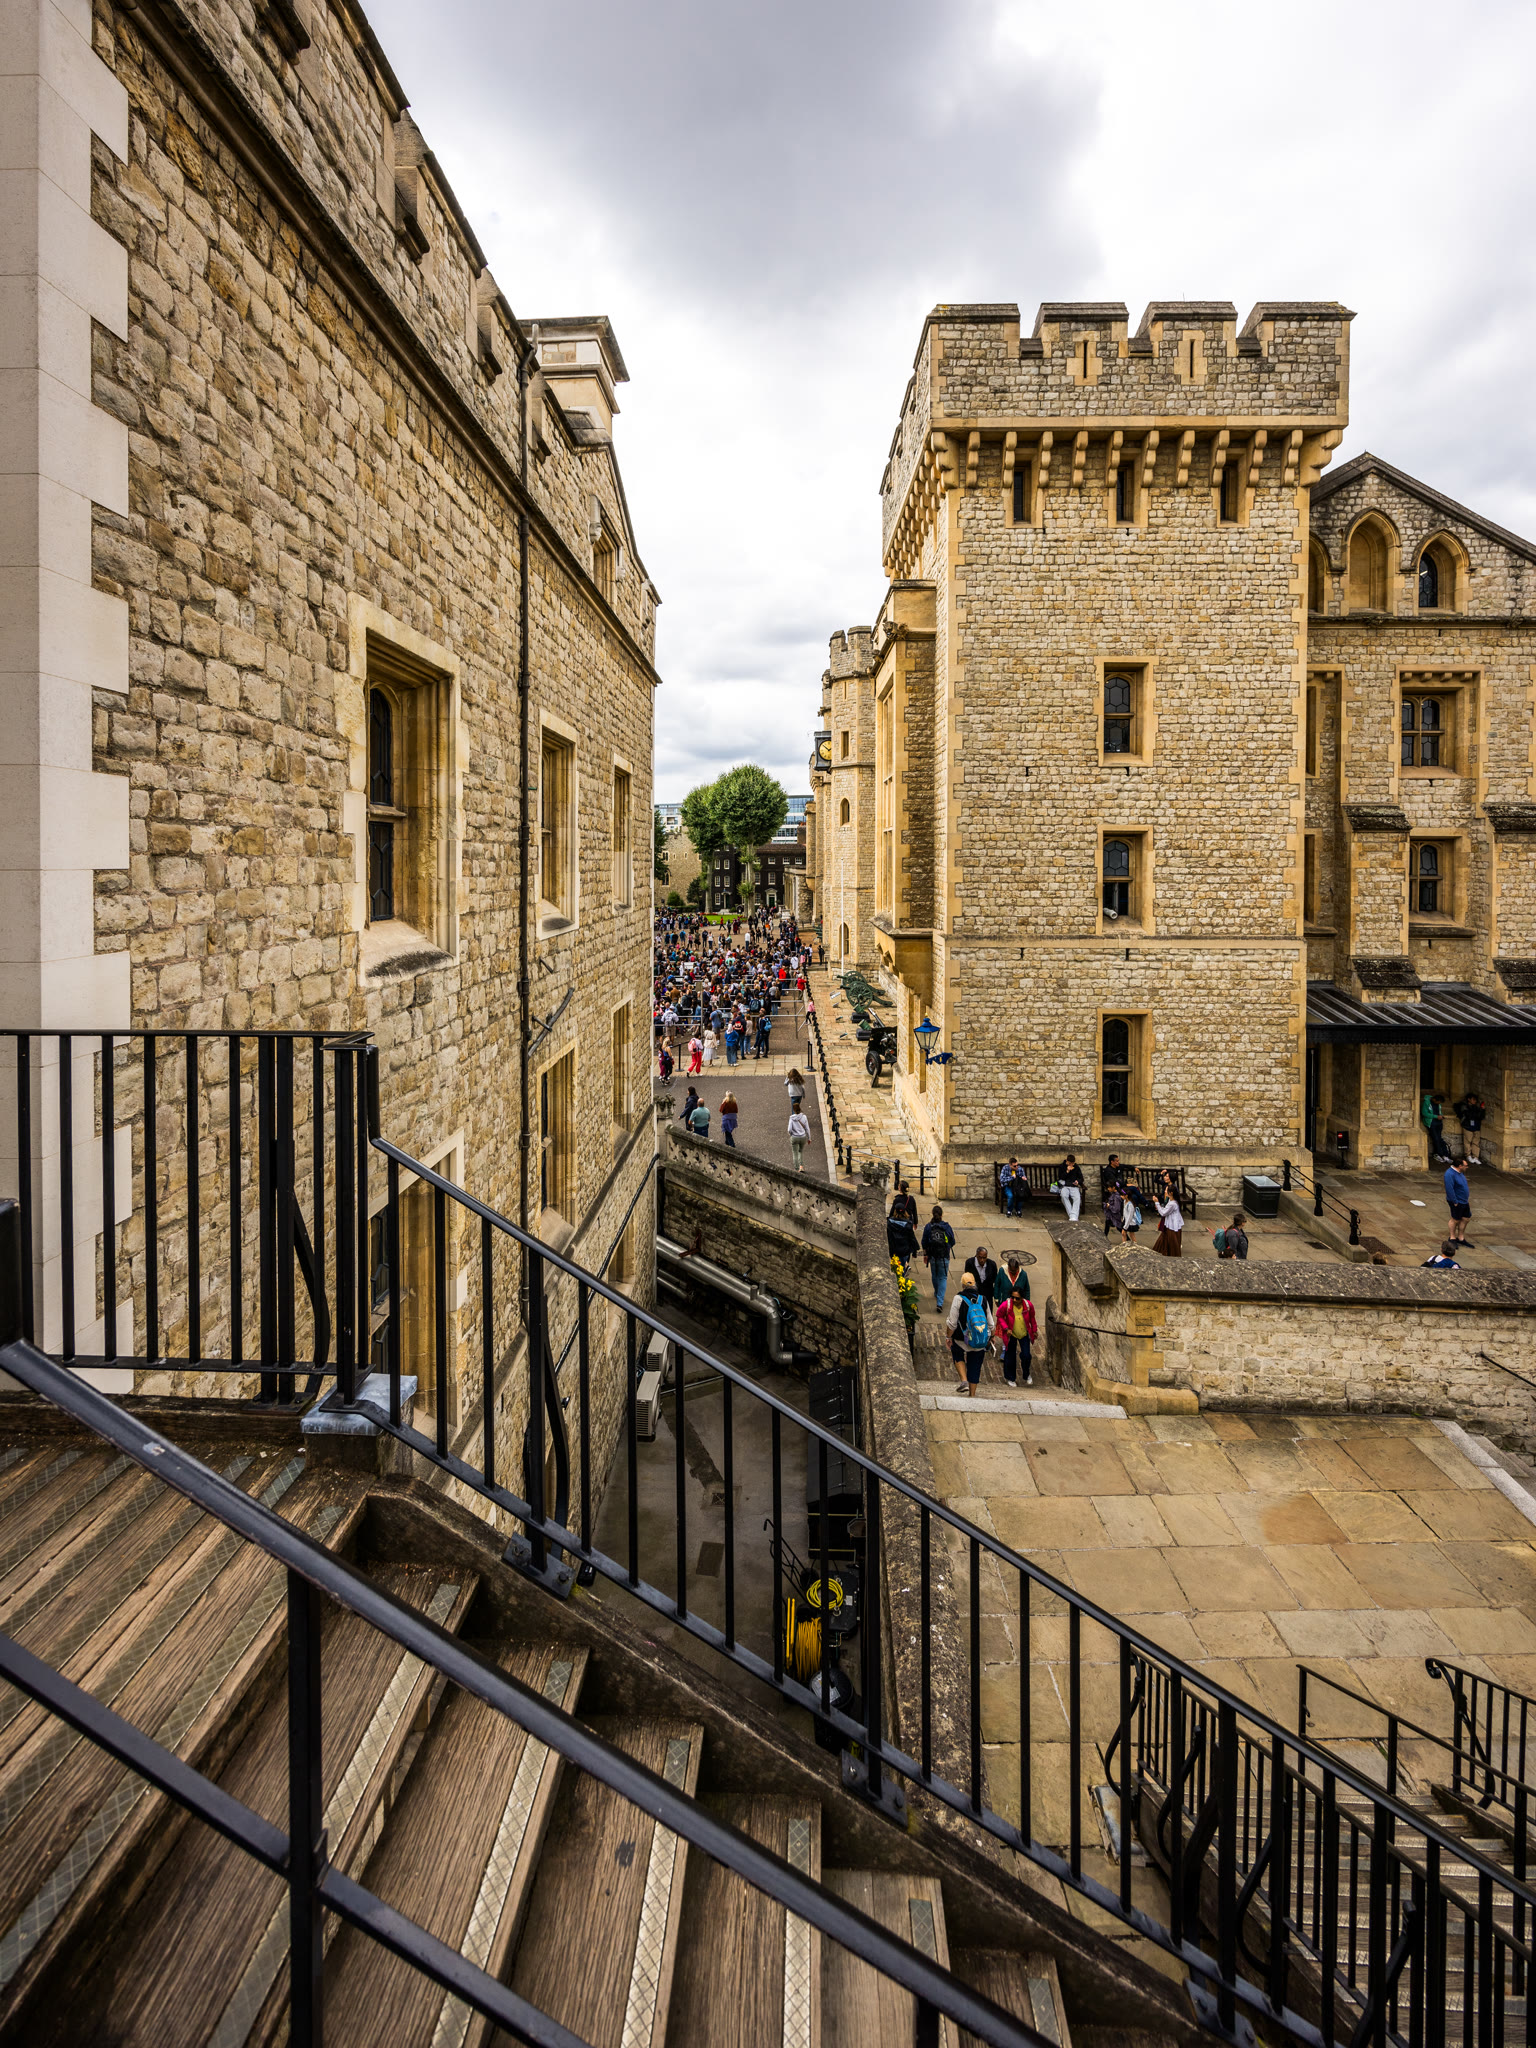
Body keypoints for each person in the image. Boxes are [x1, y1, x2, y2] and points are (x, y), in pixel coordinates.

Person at [946, 1274, 993, 1396]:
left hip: (962, 1339)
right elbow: (991, 1323)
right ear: (975, 1284)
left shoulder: (958, 1299)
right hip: (979, 1340)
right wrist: (991, 1337)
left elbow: (952, 1323)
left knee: (957, 1352)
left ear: (962, 1285)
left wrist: (948, 1337)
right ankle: (972, 1395)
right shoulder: (983, 1299)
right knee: (975, 1366)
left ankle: (964, 1381)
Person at [921, 1205, 956, 1309]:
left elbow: (924, 1242)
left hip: (932, 1256)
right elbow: (952, 1241)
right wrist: (947, 1247)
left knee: (935, 1275)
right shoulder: (946, 1227)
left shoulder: (928, 1227)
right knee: (943, 1277)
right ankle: (940, 1302)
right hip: (944, 1256)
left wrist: (925, 1254)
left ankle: (937, 1292)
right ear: (942, 1215)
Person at [1444, 1155, 1473, 1246]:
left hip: (1464, 1200)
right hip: (1457, 1201)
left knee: (1466, 1218)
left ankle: (1461, 1237)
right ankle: (1452, 1238)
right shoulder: (1449, 1174)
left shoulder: (1460, 1172)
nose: (1467, 1167)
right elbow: (1449, 1189)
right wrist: (1454, 1201)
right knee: (1455, 1219)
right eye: (1466, 1165)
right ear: (1460, 1166)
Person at [1152, 1174, 1184, 1257]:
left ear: (1171, 1193)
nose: (1165, 1192)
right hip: (1169, 1224)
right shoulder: (1172, 1201)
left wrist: (1156, 1202)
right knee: (1164, 1240)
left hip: (1172, 1226)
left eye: (1167, 1191)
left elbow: (1163, 1213)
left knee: (1172, 1244)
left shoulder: (1173, 1203)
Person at [1455, 1091, 1486, 1163]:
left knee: (1476, 1142)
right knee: (1467, 1141)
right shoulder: (1464, 1106)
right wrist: (1478, 1112)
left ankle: (1475, 1156)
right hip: (1467, 1126)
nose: (1475, 1101)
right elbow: (1469, 1115)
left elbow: (1481, 1117)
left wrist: (1482, 1110)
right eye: (1473, 1099)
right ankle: (1468, 1155)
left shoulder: (1476, 1107)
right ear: (1469, 1099)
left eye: (1475, 1100)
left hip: (1476, 1126)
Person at [886, 1203, 918, 1269]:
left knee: (895, 1269)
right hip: (904, 1251)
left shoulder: (890, 1223)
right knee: (902, 1268)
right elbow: (912, 1238)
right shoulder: (908, 1224)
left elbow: (888, 1238)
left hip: (894, 1250)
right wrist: (914, 1251)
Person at [1057, 1154, 1084, 1224]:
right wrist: (1067, 1171)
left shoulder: (1076, 1167)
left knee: (1077, 1198)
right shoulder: (1062, 1166)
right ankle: (1073, 1216)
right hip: (1065, 1185)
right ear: (1067, 1161)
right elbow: (1061, 1177)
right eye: (1070, 1163)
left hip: (1073, 1186)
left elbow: (1081, 1178)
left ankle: (1073, 1217)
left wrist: (1078, 1181)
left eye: (1072, 1163)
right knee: (1064, 1196)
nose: (1071, 1165)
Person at [788, 1104, 810, 1172]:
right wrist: (809, 1138)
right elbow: (807, 1128)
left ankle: (797, 1169)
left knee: (795, 1152)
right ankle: (801, 1166)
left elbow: (789, 1129)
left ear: (793, 1110)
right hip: (803, 1137)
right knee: (800, 1151)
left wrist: (791, 1134)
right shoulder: (804, 1117)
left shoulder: (792, 1118)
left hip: (794, 1137)